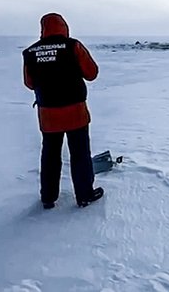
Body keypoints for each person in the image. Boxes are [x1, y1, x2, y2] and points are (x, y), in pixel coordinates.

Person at [22, 13, 104, 209]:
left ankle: (48, 197)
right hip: (75, 112)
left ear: (43, 29)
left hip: (49, 115)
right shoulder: (73, 46)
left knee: (50, 154)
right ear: (64, 27)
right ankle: (84, 195)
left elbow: (29, 83)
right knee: (80, 153)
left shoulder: (30, 52)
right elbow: (91, 73)